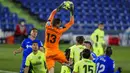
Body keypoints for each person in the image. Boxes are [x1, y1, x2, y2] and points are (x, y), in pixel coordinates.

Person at [44, 1, 74, 73]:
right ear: (57, 24)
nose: (60, 25)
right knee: (70, 62)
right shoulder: (59, 30)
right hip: (56, 52)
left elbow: (52, 13)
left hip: (47, 52)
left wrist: (60, 7)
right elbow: (71, 22)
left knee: (51, 70)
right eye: (60, 24)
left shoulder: (47, 26)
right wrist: (71, 11)